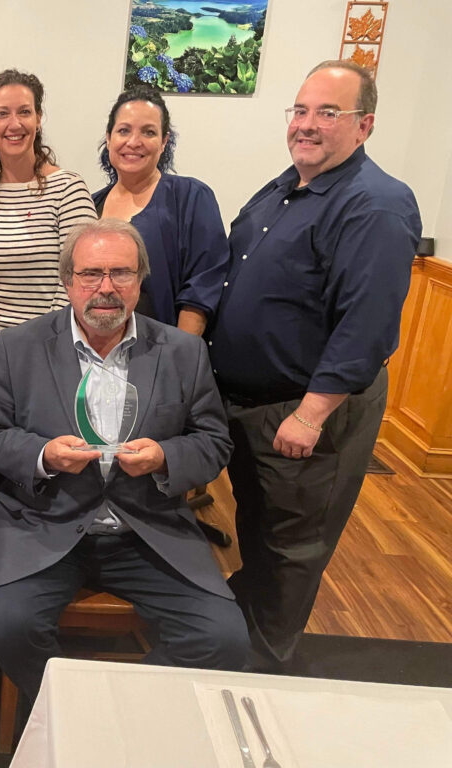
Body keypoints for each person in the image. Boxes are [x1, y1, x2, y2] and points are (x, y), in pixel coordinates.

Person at [0, 218, 249, 706]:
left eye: (121, 273)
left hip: (144, 529)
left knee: (223, 639)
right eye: (90, 273)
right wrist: (43, 456)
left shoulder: (183, 351)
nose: (106, 287)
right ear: (67, 281)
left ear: (140, 281)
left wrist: (165, 458)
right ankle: (80, 715)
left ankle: (113, 712)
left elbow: (213, 442)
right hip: (44, 525)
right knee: (12, 629)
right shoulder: (18, 346)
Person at [208, 60, 422, 671]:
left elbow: (367, 325)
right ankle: (249, 619)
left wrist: (310, 414)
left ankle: (265, 660)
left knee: (293, 544)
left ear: (364, 126)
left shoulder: (375, 205)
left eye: (328, 113)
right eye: (300, 110)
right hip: (254, 405)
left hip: (304, 410)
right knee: (260, 522)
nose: (307, 124)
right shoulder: (285, 189)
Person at [0, 69, 97, 383]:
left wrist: (43, 341)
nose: (15, 124)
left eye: (24, 112)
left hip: (51, 349)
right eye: (2, 114)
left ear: (38, 119)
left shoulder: (67, 189)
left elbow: (83, 277)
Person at [92, 86, 229, 336]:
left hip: (161, 349)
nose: (134, 142)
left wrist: (179, 352)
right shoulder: (91, 204)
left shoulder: (190, 197)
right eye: (124, 130)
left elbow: (202, 286)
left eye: (148, 132)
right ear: (109, 138)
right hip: (95, 349)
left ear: (164, 141)